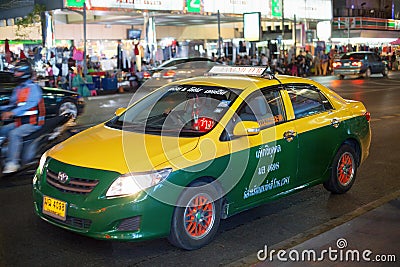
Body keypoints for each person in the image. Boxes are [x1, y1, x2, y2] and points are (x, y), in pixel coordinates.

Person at [0, 60, 46, 173]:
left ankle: (12, 163)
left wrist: (12, 113)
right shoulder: (18, 89)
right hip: (21, 122)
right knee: (3, 130)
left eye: (18, 72)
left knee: (14, 134)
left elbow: (29, 105)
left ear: (24, 73)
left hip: (33, 123)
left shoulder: (33, 88)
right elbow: (13, 105)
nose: (15, 74)